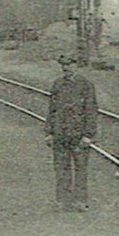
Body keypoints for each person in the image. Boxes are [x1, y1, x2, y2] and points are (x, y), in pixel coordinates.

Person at [46, 53, 97, 211]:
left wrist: (89, 135)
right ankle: (63, 201)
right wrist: (49, 132)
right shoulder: (58, 84)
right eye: (64, 65)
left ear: (76, 65)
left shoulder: (85, 85)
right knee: (61, 169)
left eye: (69, 64)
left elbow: (91, 110)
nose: (66, 68)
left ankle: (80, 201)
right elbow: (52, 110)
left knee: (80, 168)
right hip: (60, 134)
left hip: (78, 134)